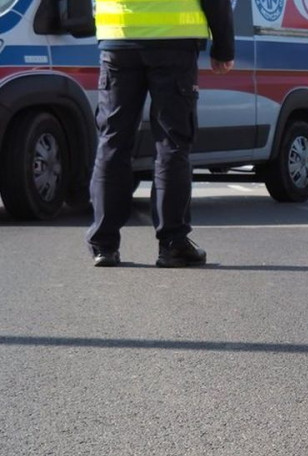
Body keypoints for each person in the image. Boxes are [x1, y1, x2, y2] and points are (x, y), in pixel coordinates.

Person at [85, 0, 235, 267]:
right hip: (173, 42)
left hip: (118, 37)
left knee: (113, 141)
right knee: (172, 141)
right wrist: (223, 46)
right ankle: (172, 243)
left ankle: (103, 245)